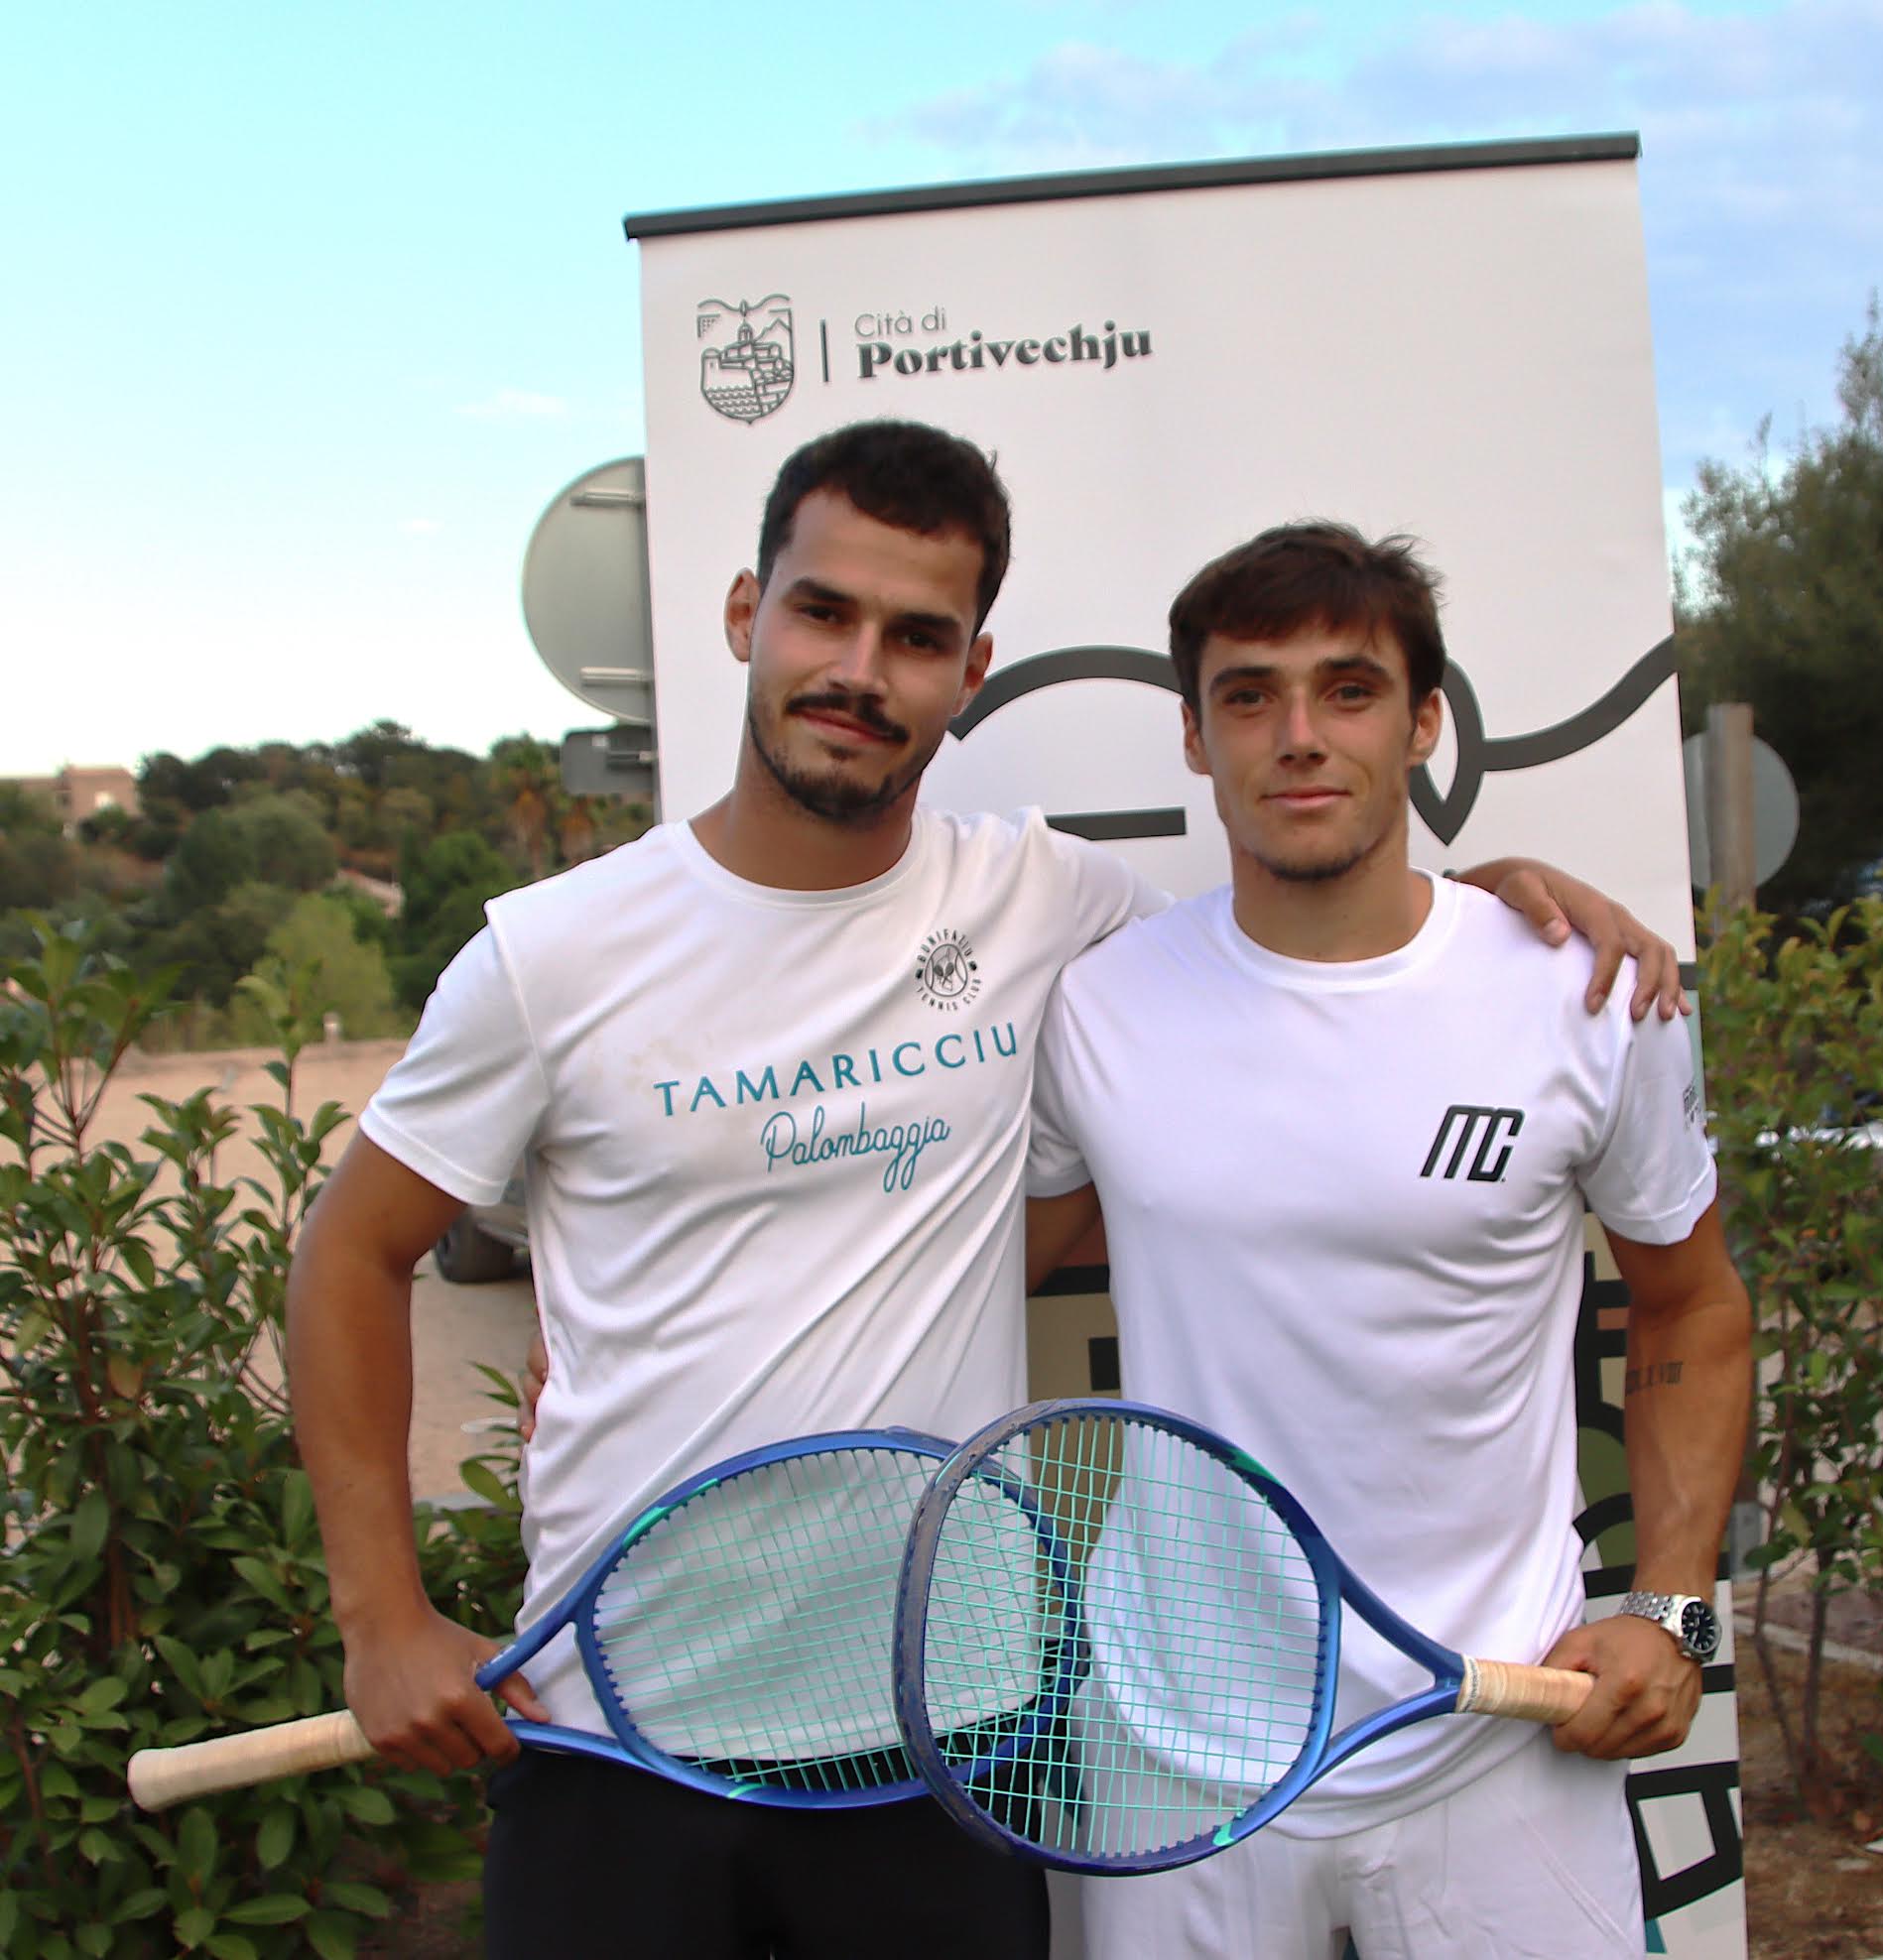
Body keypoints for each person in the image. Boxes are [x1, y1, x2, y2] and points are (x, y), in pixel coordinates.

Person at [287, 421, 1689, 1960]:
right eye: (825, 613)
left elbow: (1306, 963)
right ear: (747, 616)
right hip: (614, 1711)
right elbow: (351, 1255)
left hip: (949, 1728)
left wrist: (1494, 920)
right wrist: (383, 1618)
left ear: (972, 669)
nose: (860, 670)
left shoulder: (1045, 903)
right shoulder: (551, 954)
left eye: (917, 636)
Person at [1023, 523, 1751, 1960]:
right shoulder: (1099, 1005)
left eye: (1346, 690)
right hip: (1180, 1747)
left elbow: (1690, 1309)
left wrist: (1669, 1608)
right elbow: (959, 1281)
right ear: (1192, 735)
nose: (1297, 737)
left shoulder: (1584, 996)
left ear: (1422, 721)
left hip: (1500, 1728)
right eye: (1248, 696)